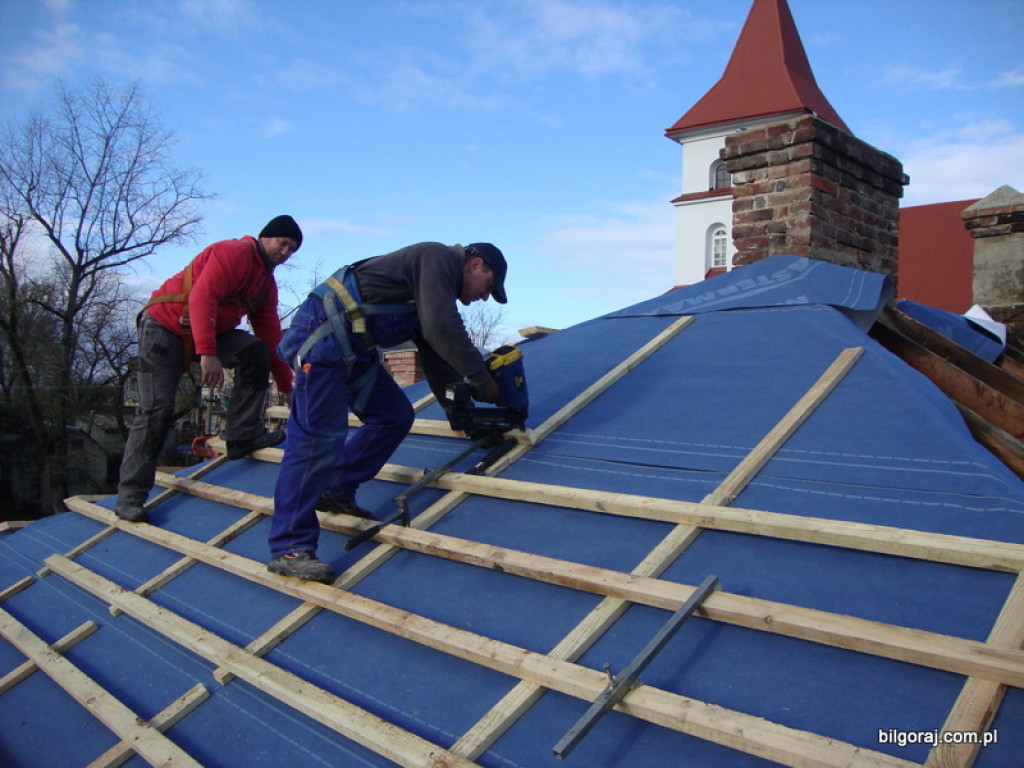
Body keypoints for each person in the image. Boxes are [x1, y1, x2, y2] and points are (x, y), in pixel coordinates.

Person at [267, 241, 507, 582]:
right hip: (323, 336)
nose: (484, 297)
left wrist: (469, 420)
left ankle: (336, 487)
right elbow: (443, 329)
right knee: (316, 440)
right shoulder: (437, 258)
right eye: (489, 287)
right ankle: (289, 547)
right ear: (476, 264)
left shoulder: (430, 293)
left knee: (394, 415)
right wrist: (483, 379)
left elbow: (439, 364)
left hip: (351, 349)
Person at [115, 215, 302, 523]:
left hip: (207, 333)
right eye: (283, 244)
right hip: (165, 327)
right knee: (156, 410)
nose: (285, 252)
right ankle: (130, 497)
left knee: (254, 351)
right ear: (266, 237)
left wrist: (286, 386)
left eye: (292, 249)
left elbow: (270, 337)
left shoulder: (265, 284)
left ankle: (242, 435)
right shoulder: (235, 253)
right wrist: (208, 353)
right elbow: (203, 297)